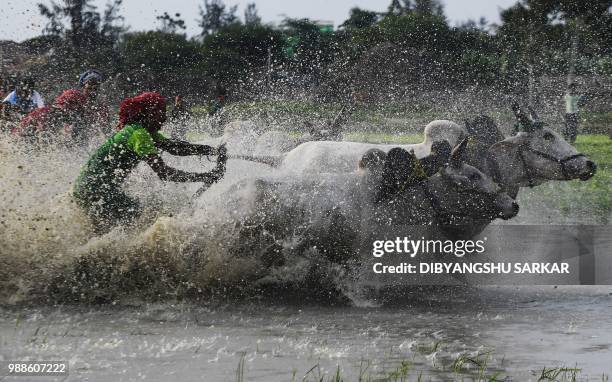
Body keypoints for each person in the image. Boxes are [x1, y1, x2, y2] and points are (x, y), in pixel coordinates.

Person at [73, 92, 227, 233]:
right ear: (148, 113)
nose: (164, 118)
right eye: (161, 113)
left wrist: (212, 150)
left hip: (86, 188)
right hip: (96, 189)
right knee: (139, 217)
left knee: (116, 226)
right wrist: (205, 176)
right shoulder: (139, 134)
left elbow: (175, 148)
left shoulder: (141, 131)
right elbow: (164, 172)